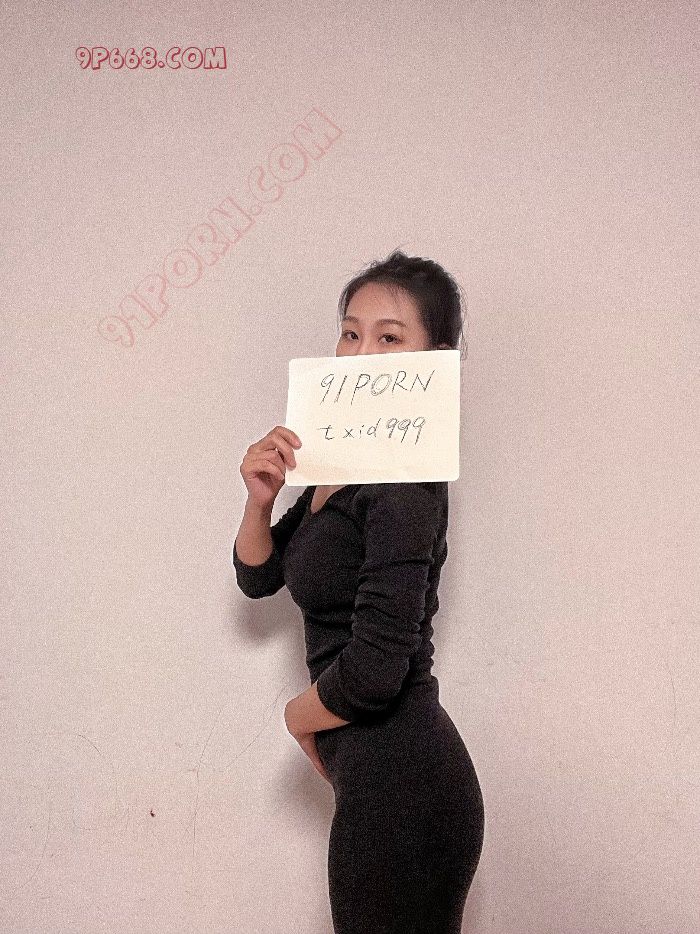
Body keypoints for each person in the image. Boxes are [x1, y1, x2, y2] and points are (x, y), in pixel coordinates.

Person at [232, 250, 485, 933]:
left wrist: (297, 718)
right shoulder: (342, 465)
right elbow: (260, 577)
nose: (362, 353)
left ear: (435, 360)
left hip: (405, 778)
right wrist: (260, 500)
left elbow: (375, 674)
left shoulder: (404, 484)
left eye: (390, 337)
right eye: (351, 333)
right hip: (374, 775)